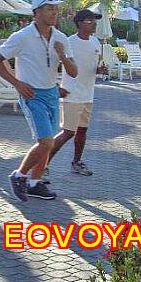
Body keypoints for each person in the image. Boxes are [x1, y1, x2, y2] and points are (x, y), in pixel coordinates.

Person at [0, 0, 77, 201]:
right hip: (32, 95)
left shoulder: (61, 38)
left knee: (47, 142)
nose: (54, 12)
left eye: (56, 9)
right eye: (49, 8)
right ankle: (19, 175)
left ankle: (35, 183)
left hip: (52, 93)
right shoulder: (22, 36)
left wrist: (62, 55)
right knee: (46, 142)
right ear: (36, 13)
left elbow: (74, 72)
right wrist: (17, 84)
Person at [39, 9, 106, 182]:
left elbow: (93, 67)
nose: (94, 24)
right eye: (90, 21)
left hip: (88, 94)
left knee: (82, 131)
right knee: (68, 132)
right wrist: (56, 87)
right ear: (80, 23)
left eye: (95, 21)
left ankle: (76, 162)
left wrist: (100, 70)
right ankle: (43, 164)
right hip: (71, 93)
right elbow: (53, 64)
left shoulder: (96, 43)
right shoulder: (68, 42)